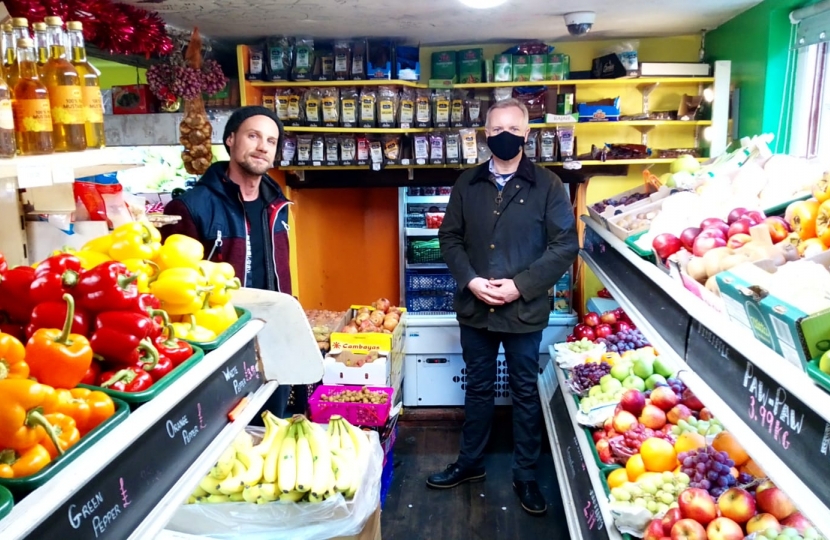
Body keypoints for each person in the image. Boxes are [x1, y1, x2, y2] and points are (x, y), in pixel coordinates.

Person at [428, 98, 579, 516]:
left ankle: (525, 474)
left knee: (524, 391)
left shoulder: (547, 185)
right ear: (485, 134)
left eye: (512, 128)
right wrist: (472, 281)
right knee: (476, 388)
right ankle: (470, 463)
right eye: (495, 130)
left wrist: (520, 286)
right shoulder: (467, 183)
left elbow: (566, 244)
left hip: (523, 311)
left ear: (527, 134)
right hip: (475, 309)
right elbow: (449, 238)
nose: (504, 136)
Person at [162, 105, 293, 416]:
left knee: (275, 425)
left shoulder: (277, 205)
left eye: (271, 141)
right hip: (222, 345)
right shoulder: (189, 207)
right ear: (231, 140)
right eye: (253, 136)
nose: (262, 146)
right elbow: (172, 290)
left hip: (273, 336)